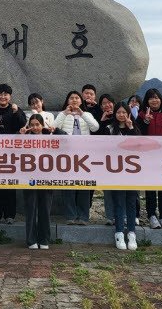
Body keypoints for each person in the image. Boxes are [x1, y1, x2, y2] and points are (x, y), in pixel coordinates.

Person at [20, 114, 65, 249]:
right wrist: (19, 135)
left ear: (42, 125)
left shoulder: (50, 136)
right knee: (31, 209)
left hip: (47, 178)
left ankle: (44, 240)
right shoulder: (24, 138)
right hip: (29, 178)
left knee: (45, 209)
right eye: (32, 125)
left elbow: (67, 138)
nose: (35, 127)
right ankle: (31, 239)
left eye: (37, 124)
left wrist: (55, 130)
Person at [54, 91, 99, 225]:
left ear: (81, 101)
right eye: (71, 98)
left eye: (77, 98)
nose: (74, 100)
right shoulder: (63, 115)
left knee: (84, 187)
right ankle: (70, 216)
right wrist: (64, 114)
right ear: (67, 101)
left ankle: (83, 216)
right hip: (66, 155)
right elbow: (53, 128)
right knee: (68, 187)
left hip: (84, 155)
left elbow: (95, 127)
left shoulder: (87, 114)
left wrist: (82, 113)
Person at [0, 83, 27, 224]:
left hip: (12, 153)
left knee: (10, 185)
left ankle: (10, 215)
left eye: (6, 94)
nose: (3, 97)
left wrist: (16, 112)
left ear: (10, 96)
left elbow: (22, 125)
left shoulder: (15, 109)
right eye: (0, 94)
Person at [103, 102, 141, 250]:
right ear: (115, 114)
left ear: (128, 114)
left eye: (124, 112)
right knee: (118, 202)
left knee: (131, 202)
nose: (121, 115)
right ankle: (119, 233)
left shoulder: (134, 128)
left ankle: (131, 233)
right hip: (116, 171)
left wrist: (131, 127)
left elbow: (138, 145)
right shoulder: (109, 129)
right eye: (118, 112)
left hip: (132, 172)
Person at [137, 89, 162, 229]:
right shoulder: (141, 116)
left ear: (161, 99)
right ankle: (151, 215)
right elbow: (137, 134)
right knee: (150, 187)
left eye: (156, 98)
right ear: (147, 101)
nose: (154, 100)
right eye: (151, 98)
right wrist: (145, 121)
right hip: (148, 158)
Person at [93, 93, 116, 224]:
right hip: (105, 159)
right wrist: (102, 120)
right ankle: (109, 216)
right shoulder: (99, 118)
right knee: (108, 189)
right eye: (104, 103)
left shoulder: (121, 114)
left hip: (122, 159)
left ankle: (126, 216)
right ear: (100, 106)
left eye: (109, 102)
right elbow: (96, 137)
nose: (107, 105)